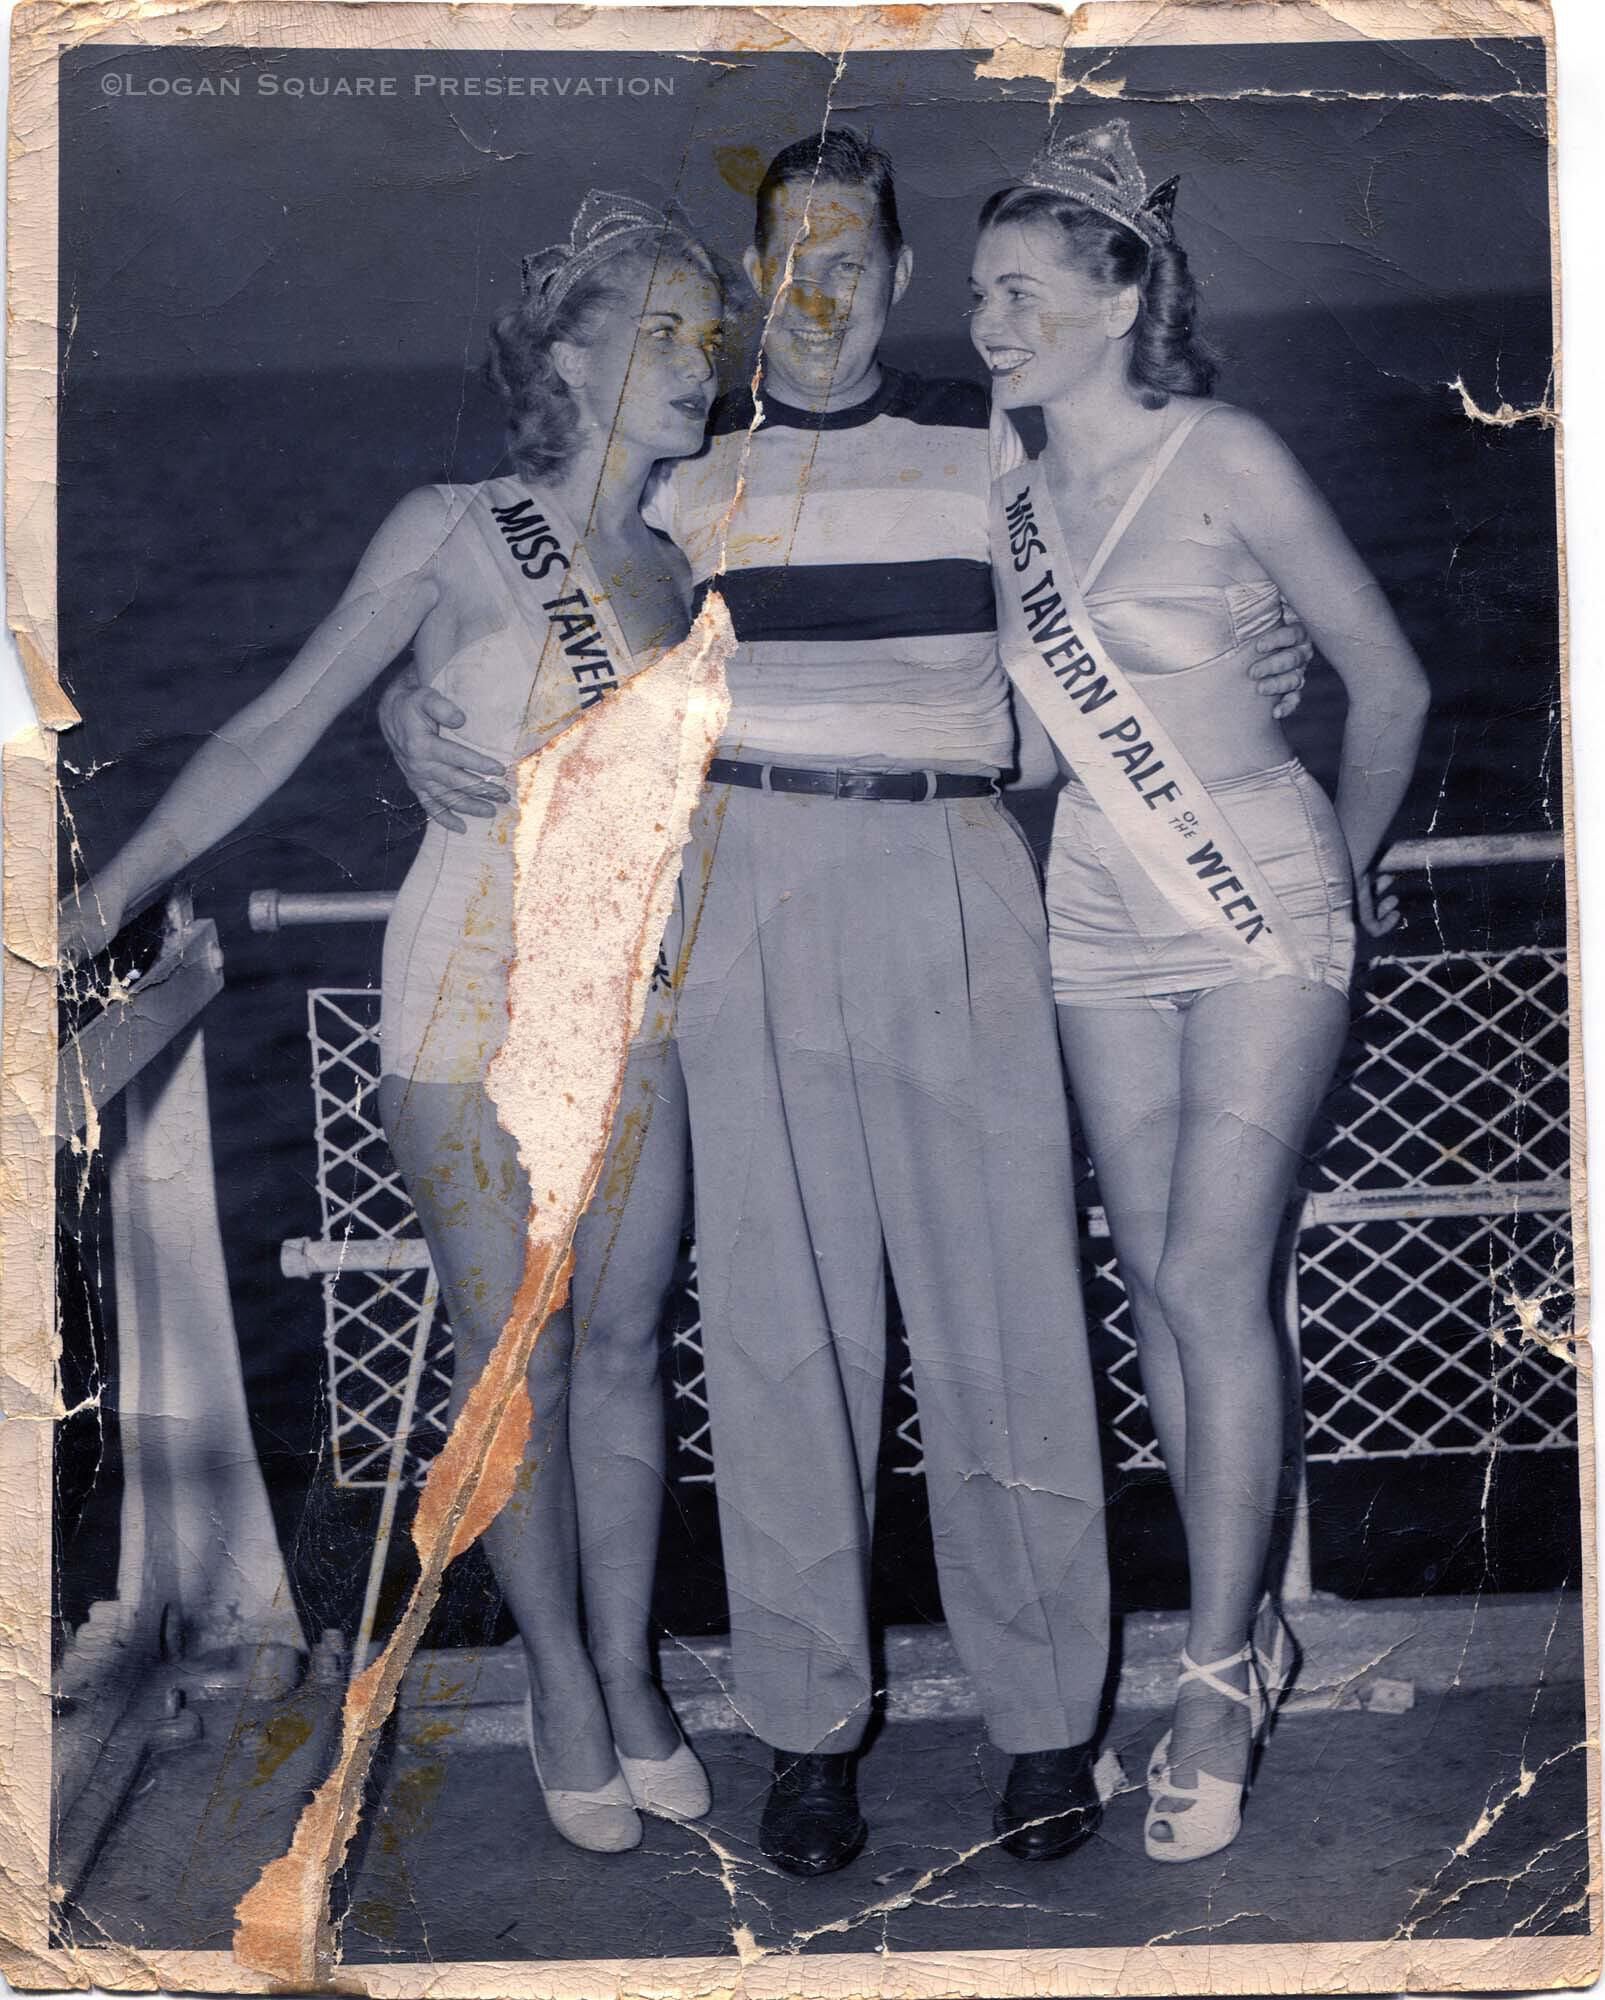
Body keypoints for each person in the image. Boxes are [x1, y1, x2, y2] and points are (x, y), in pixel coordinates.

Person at [385, 128, 1319, 1878]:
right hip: (740, 889)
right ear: (753, 281)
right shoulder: (688, 476)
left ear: (895, 278)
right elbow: (511, 612)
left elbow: (1140, 612)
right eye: (786, 257)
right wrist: (404, 723)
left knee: (1007, 1319)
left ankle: (1046, 1724)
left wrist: (1261, 646)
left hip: (957, 877)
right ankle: (808, 1732)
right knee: (772, 1329)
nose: (814, 288)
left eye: (850, 257)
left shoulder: (998, 452)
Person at [58, 192, 730, 1855]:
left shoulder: (702, 538)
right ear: (565, 356)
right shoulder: (454, 525)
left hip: (638, 994)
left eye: (706, 335)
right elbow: (272, 723)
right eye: (657, 331)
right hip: (467, 986)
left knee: (625, 1348)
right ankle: (559, 1684)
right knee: (521, 1360)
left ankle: (629, 1671)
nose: (697, 364)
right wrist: (94, 905)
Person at [970, 121, 1430, 1863]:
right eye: (978, 292)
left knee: (1205, 1275)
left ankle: (1218, 1671)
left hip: (1254, 891)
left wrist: (1346, 872)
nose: (990, 321)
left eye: (1023, 291)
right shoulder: (1008, 498)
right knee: (1159, 1291)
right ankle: (1236, 1630)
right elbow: (1032, 748)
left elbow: (1388, 683)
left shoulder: (1224, 453)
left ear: (1117, 300)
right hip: (1091, 896)